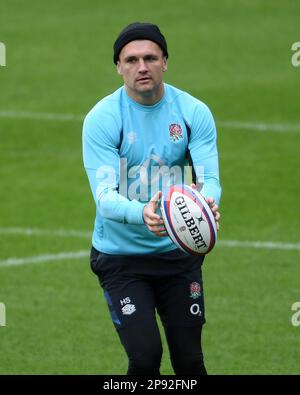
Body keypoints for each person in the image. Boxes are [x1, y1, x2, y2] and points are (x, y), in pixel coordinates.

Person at [82, 22, 221, 375]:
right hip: (121, 259)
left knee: (190, 361)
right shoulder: (103, 119)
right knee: (145, 357)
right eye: (130, 60)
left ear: (165, 62)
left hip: (178, 255)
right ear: (118, 66)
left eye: (149, 58)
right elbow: (104, 197)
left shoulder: (192, 113)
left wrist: (208, 204)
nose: (141, 67)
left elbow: (209, 179)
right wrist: (140, 212)